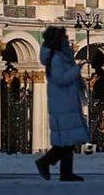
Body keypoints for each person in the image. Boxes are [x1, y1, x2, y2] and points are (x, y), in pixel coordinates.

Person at [34, 26, 89, 182]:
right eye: (64, 38)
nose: (67, 40)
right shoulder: (57, 59)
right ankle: (49, 164)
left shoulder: (59, 57)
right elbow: (60, 79)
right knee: (66, 142)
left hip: (65, 102)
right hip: (63, 104)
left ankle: (63, 170)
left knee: (67, 142)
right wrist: (76, 70)